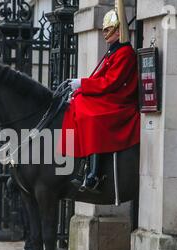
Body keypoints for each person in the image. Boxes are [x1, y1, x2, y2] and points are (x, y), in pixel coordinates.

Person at [61, 0, 140, 192]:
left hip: (120, 101)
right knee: (78, 102)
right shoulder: (114, 52)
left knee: (92, 116)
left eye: (108, 30)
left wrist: (83, 84)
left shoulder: (125, 53)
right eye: (104, 30)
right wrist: (80, 88)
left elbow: (111, 82)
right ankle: (82, 165)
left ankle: (94, 173)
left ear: (118, 30)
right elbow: (99, 78)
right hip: (111, 97)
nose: (104, 33)